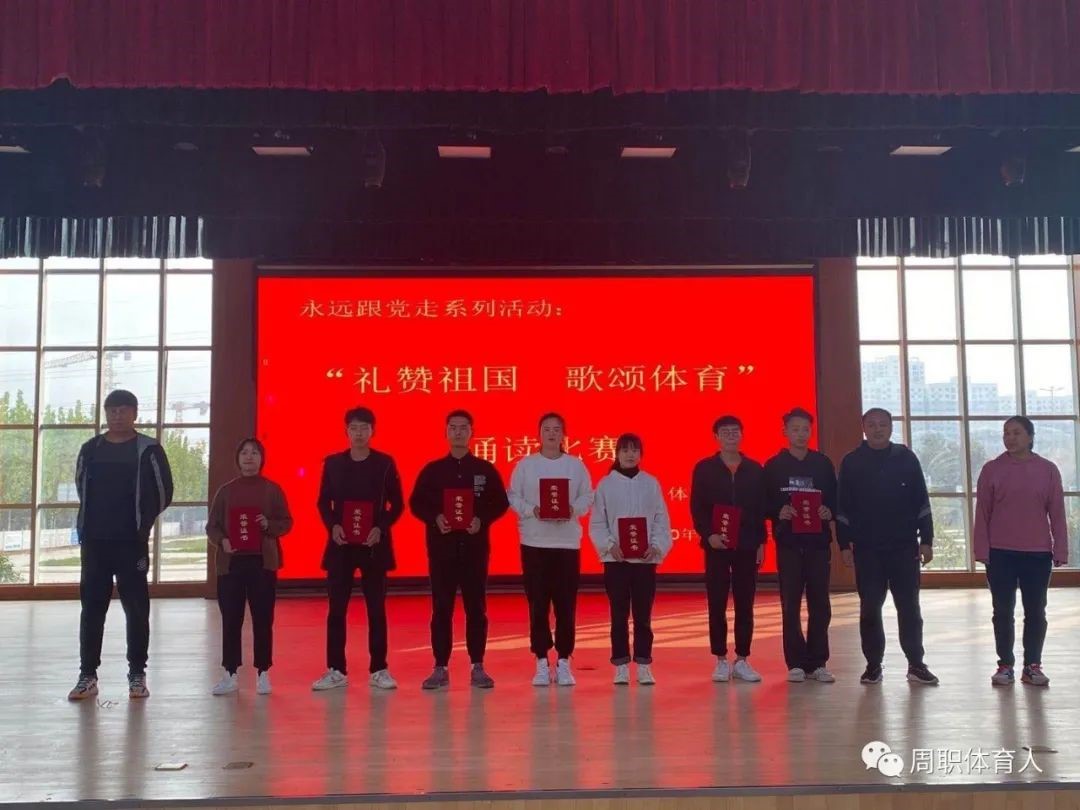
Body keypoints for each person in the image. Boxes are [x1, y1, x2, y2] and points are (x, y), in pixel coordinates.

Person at [68, 390, 174, 701]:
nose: (117, 415)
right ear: (106, 413)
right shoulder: (91, 449)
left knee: (136, 608)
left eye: (123, 410)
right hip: (95, 542)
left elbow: (164, 492)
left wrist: (142, 524)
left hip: (131, 542)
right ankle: (88, 675)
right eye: (112, 410)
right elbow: (81, 485)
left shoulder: (149, 449)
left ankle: (137, 674)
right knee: (92, 609)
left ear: (135, 414)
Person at [408, 410, 510, 690]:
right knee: (441, 608)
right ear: (446, 432)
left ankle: (478, 666)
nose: (458, 432)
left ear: (471, 432)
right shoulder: (433, 470)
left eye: (463, 428)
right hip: (442, 551)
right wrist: (435, 518)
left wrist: (482, 519)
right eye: (453, 427)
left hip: (474, 550)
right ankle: (440, 667)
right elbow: (416, 503)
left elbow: (501, 502)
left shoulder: (484, 469)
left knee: (476, 608)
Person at [836, 408, 939, 685]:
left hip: (904, 548)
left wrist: (927, 540)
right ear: (864, 428)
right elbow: (842, 507)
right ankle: (873, 665)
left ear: (891, 428)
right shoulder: (852, 462)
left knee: (909, 608)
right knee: (870, 608)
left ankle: (916, 664)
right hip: (867, 550)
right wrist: (844, 544)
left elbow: (921, 501)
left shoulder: (906, 458)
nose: (877, 429)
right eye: (872, 424)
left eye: (883, 424)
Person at [312, 406, 404, 691]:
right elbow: (323, 502)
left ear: (372, 431)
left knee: (376, 609)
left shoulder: (384, 463)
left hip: (373, 545)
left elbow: (397, 504)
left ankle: (379, 668)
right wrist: (333, 526)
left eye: (365, 427)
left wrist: (380, 528)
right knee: (336, 610)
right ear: (346, 431)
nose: (359, 433)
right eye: (354, 428)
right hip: (341, 545)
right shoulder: (333, 463)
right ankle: (336, 669)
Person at [974, 416, 1069, 687]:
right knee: (1002, 611)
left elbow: (1057, 512)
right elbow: (982, 513)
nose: (1010, 438)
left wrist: (1060, 548)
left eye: (1016, 433)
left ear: (1030, 437)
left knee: (1036, 611)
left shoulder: (1048, 470)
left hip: (1037, 553)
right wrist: (982, 549)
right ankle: (1005, 665)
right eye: (1006, 433)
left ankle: (1032, 665)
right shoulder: (991, 470)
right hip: (1000, 553)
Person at [508, 413, 594, 687]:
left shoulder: (575, 466)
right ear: (539, 434)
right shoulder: (526, 465)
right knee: (538, 604)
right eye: (547, 429)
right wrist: (531, 510)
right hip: (535, 543)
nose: (552, 434)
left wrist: (572, 509)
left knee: (566, 605)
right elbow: (512, 495)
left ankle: (564, 660)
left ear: (563, 435)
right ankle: (542, 660)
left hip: (566, 544)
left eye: (557, 429)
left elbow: (588, 496)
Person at [206, 438, 293, 696]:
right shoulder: (226, 491)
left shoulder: (272, 490)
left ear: (261, 459)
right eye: (244, 452)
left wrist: (268, 525)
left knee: (263, 619)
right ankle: (230, 673)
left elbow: (286, 522)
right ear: (238, 459)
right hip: (231, 563)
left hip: (262, 563)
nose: (249, 457)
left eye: (254, 453)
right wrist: (223, 541)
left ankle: (263, 672)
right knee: (231, 618)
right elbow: (212, 526)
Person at [589, 433, 672, 686]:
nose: (630, 455)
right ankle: (621, 665)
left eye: (634, 450)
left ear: (641, 454)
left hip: (645, 562)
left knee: (643, 616)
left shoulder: (651, 483)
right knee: (619, 615)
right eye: (625, 450)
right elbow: (597, 522)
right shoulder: (606, 484)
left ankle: (644, 664)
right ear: (616, 454)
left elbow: (661, 519)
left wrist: (656, 546)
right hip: (616, 561)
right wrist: (609, 545)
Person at [690, 415, 767, 683]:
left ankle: (742, 658)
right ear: (716, 437)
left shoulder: (755, 469)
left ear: (742, 435)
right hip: (716, 546)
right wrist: (708, 534)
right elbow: (697, 507)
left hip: (747, 545)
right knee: (717, 602)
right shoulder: (704, 468)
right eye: (725, 432)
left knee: (745, 602)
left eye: (735, 431)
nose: (731, 435)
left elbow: (760, 510)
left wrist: (761, 542)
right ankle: (721, 659)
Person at [764, 408, 838, 683]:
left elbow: (835, 498)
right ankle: (795, 662)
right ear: (785, 432)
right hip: (789, 544)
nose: (800, 434)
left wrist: (828, 511)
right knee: (791, 603)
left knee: (820, 603)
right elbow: (763, 502)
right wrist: (778, 511)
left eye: (805, 429)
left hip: (818, 543)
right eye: (795, 429)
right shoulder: (774, 466)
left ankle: (818, 662)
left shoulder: (822, 463)